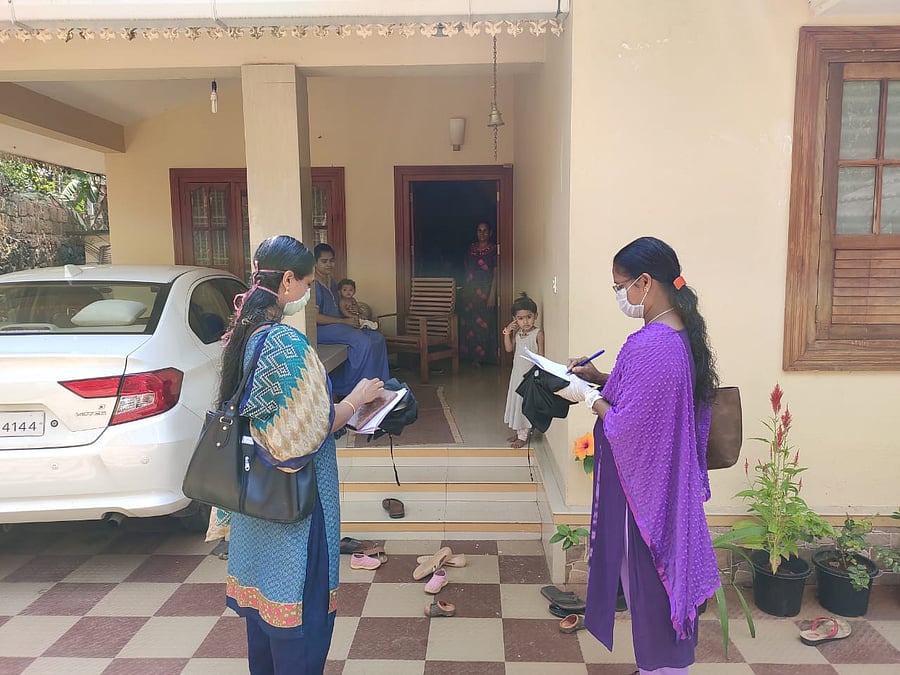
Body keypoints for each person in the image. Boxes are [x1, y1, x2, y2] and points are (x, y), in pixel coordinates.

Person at [219, 235, 385, 674]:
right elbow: (309, 431)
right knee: (300, 617)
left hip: (256, 498)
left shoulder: (244, 335)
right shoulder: (286, 345)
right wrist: (357, 400)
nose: (309, 291)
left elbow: (272, 418)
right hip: (297, 502)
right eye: (308, 282)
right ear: (288, 280)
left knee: (266, 625)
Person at [559, 236, 720, 674]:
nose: (619, 295)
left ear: (646, 282)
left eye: (620, 285)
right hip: (665, 483)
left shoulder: (652, 344)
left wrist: (587, 395)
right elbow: (652, 395)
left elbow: (630, 423)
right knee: (655, 578)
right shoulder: (678, 334)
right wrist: (600, 376)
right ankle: (663, 666)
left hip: (644, 491)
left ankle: (662, 668)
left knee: (651, 578)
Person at [313, 244, 390, 397]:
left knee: (377, 338)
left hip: (339, 326)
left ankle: (381, 386)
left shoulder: (331, 281)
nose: (329, 264)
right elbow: (315, 317)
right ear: (315, 263)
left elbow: (342, 303)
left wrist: (355, 313)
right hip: (322, 329)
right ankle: (356, 391)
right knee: (363, 342)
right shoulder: (314, 285)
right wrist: (344, 322)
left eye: (331, 260)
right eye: (324, 261)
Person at [502, 292, 544, 448]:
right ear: (515, 320)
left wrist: (537, 376)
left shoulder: (537, 334)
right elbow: (508, 348)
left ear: (536, 316)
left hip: (529, 376)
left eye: (529, 317)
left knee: (524, 403)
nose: (525, 321)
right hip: (517, 374)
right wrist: (507, 332)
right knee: (516, 402)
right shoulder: (519, 333)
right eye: (520, 318)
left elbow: (541, 357)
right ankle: (519, 430)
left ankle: (523, 435)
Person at [459, 221, 498, 367]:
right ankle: (469, 357)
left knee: (483, 325)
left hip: (485, 292)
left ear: (490, 232)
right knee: (469, 324)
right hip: (469, 293)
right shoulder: (471, 248)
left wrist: (492, 294)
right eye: (479, 230)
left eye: (485, 230)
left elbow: (496, 273)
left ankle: (482, 358)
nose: (482, 233)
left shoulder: (494, 249)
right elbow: (466, 269)